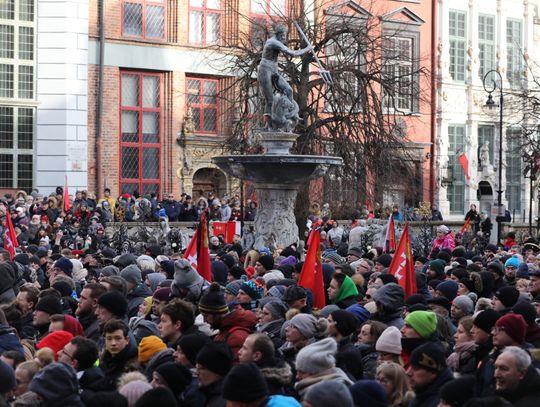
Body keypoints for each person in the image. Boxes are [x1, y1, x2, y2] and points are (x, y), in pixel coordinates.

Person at [258, 24, 311, 124]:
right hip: (265, 70)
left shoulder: (278, 41)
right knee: (270, 100)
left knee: (289, 90)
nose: (284, 38)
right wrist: (307, 49)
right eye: (282, 36)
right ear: (278, 34)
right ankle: (268, 125)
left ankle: (291, 114)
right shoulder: (273, 42)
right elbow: (292, 53)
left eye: (285, 36)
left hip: (274, 69)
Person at [406, 343, 453, 407]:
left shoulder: (444, 402)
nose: (408, 372)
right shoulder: (422, 394)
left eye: (415, 368)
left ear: (433, 372)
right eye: (409, 366)